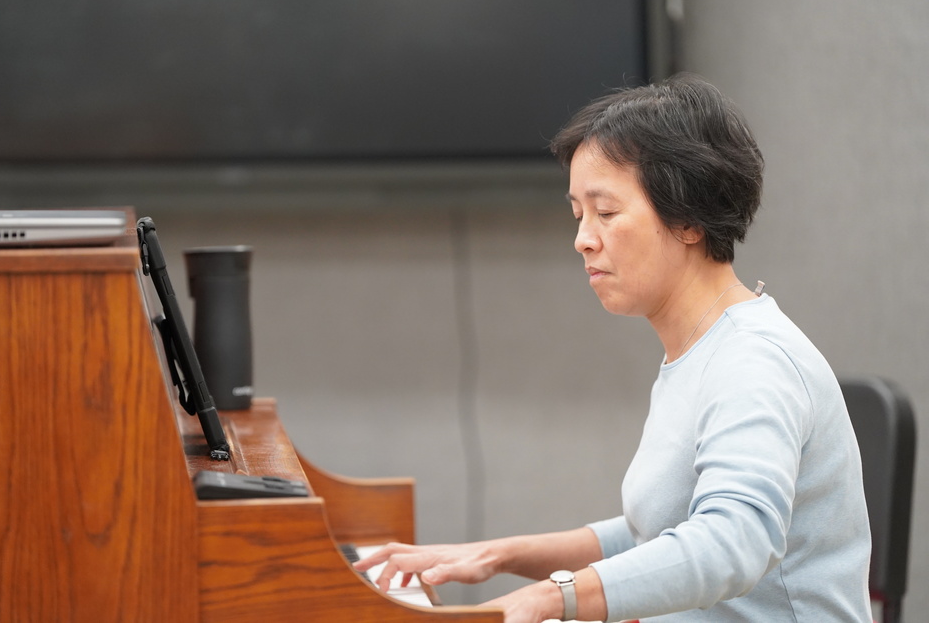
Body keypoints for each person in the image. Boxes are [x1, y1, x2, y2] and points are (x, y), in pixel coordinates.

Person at [353, 74, 873, 622]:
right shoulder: (699, 350)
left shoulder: (754, 363)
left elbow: (732, 542)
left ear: (689, 217)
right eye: (578, 214)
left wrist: (552, 597)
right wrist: (497, 555)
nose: (583, 238)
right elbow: (656, 534)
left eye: (605, 212)